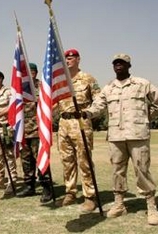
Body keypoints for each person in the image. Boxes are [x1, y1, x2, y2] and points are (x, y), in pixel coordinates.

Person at [84, 53, 158, 225]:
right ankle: (119, 204)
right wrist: (85, 113)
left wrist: (146, 117)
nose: (118, 65)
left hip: (138, 134)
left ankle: (151, 206)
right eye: (115, 63)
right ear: (113, 67)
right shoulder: (109, 88)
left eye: (122, 63)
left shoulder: (142, 84)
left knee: (142, 170)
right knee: (117, 171)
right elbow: (97, 107)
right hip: (116, 136)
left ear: (129, 66)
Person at [55, 49, 100, 213]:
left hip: (80, 121)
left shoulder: (88, 78)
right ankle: (70, 193)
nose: (68, 60)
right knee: (67, 161)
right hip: (63, 123)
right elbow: (53, 104)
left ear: (78, 59)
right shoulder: (61, 81)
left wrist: (89, 114)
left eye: (71, 57)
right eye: (66, 58)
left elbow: (99, 100)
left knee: (84, 160)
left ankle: (90, 196)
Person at [16, 63, 53, 203]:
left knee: (40, 159)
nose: (29, 74)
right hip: (23, 131)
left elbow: (49, 105)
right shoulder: (19, 90)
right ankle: (29, 186)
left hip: (38, 130)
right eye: (27, 72)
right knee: (26, 160)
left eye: (31, 71)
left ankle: (46, 186)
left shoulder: (42, 87)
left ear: (36, 73)